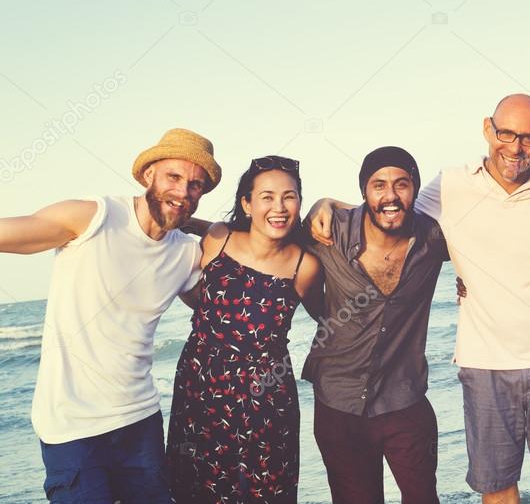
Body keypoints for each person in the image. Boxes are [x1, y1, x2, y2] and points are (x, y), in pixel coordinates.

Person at [310, 95, 530, 503]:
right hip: (485, 363)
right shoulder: (451, 185)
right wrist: (324, 202)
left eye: (528, 138)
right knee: (496, 484)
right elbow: (389, 209)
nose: (516, 148)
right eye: (507, 133)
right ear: (488, 129)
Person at [0, 128, 220, 503]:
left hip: (141, 423)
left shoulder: (186, 254)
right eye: (174, 177)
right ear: (149, 174)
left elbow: (226, 313)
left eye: (196, 185)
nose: (184, 192)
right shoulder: (93, 217)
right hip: (72, 429)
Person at [165, 155, 321, 503]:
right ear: (247, 204)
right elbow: (205, 300)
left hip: (266, 402)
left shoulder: (304, 264)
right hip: (201, 393)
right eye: (266, 196)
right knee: (195, 491)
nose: (279, 207)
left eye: (289, 196)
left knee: (264, 494)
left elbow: (330, 318)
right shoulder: (218, 239)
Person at [302, 146, 448, 504]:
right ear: (364, 191)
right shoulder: (329, 232)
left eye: (402, 184)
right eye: (378, 185)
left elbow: (499, 245)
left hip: (405, 398)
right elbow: (263, 243)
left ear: (414, 188)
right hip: (339, 403)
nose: (391, 196)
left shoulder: (433, 238)